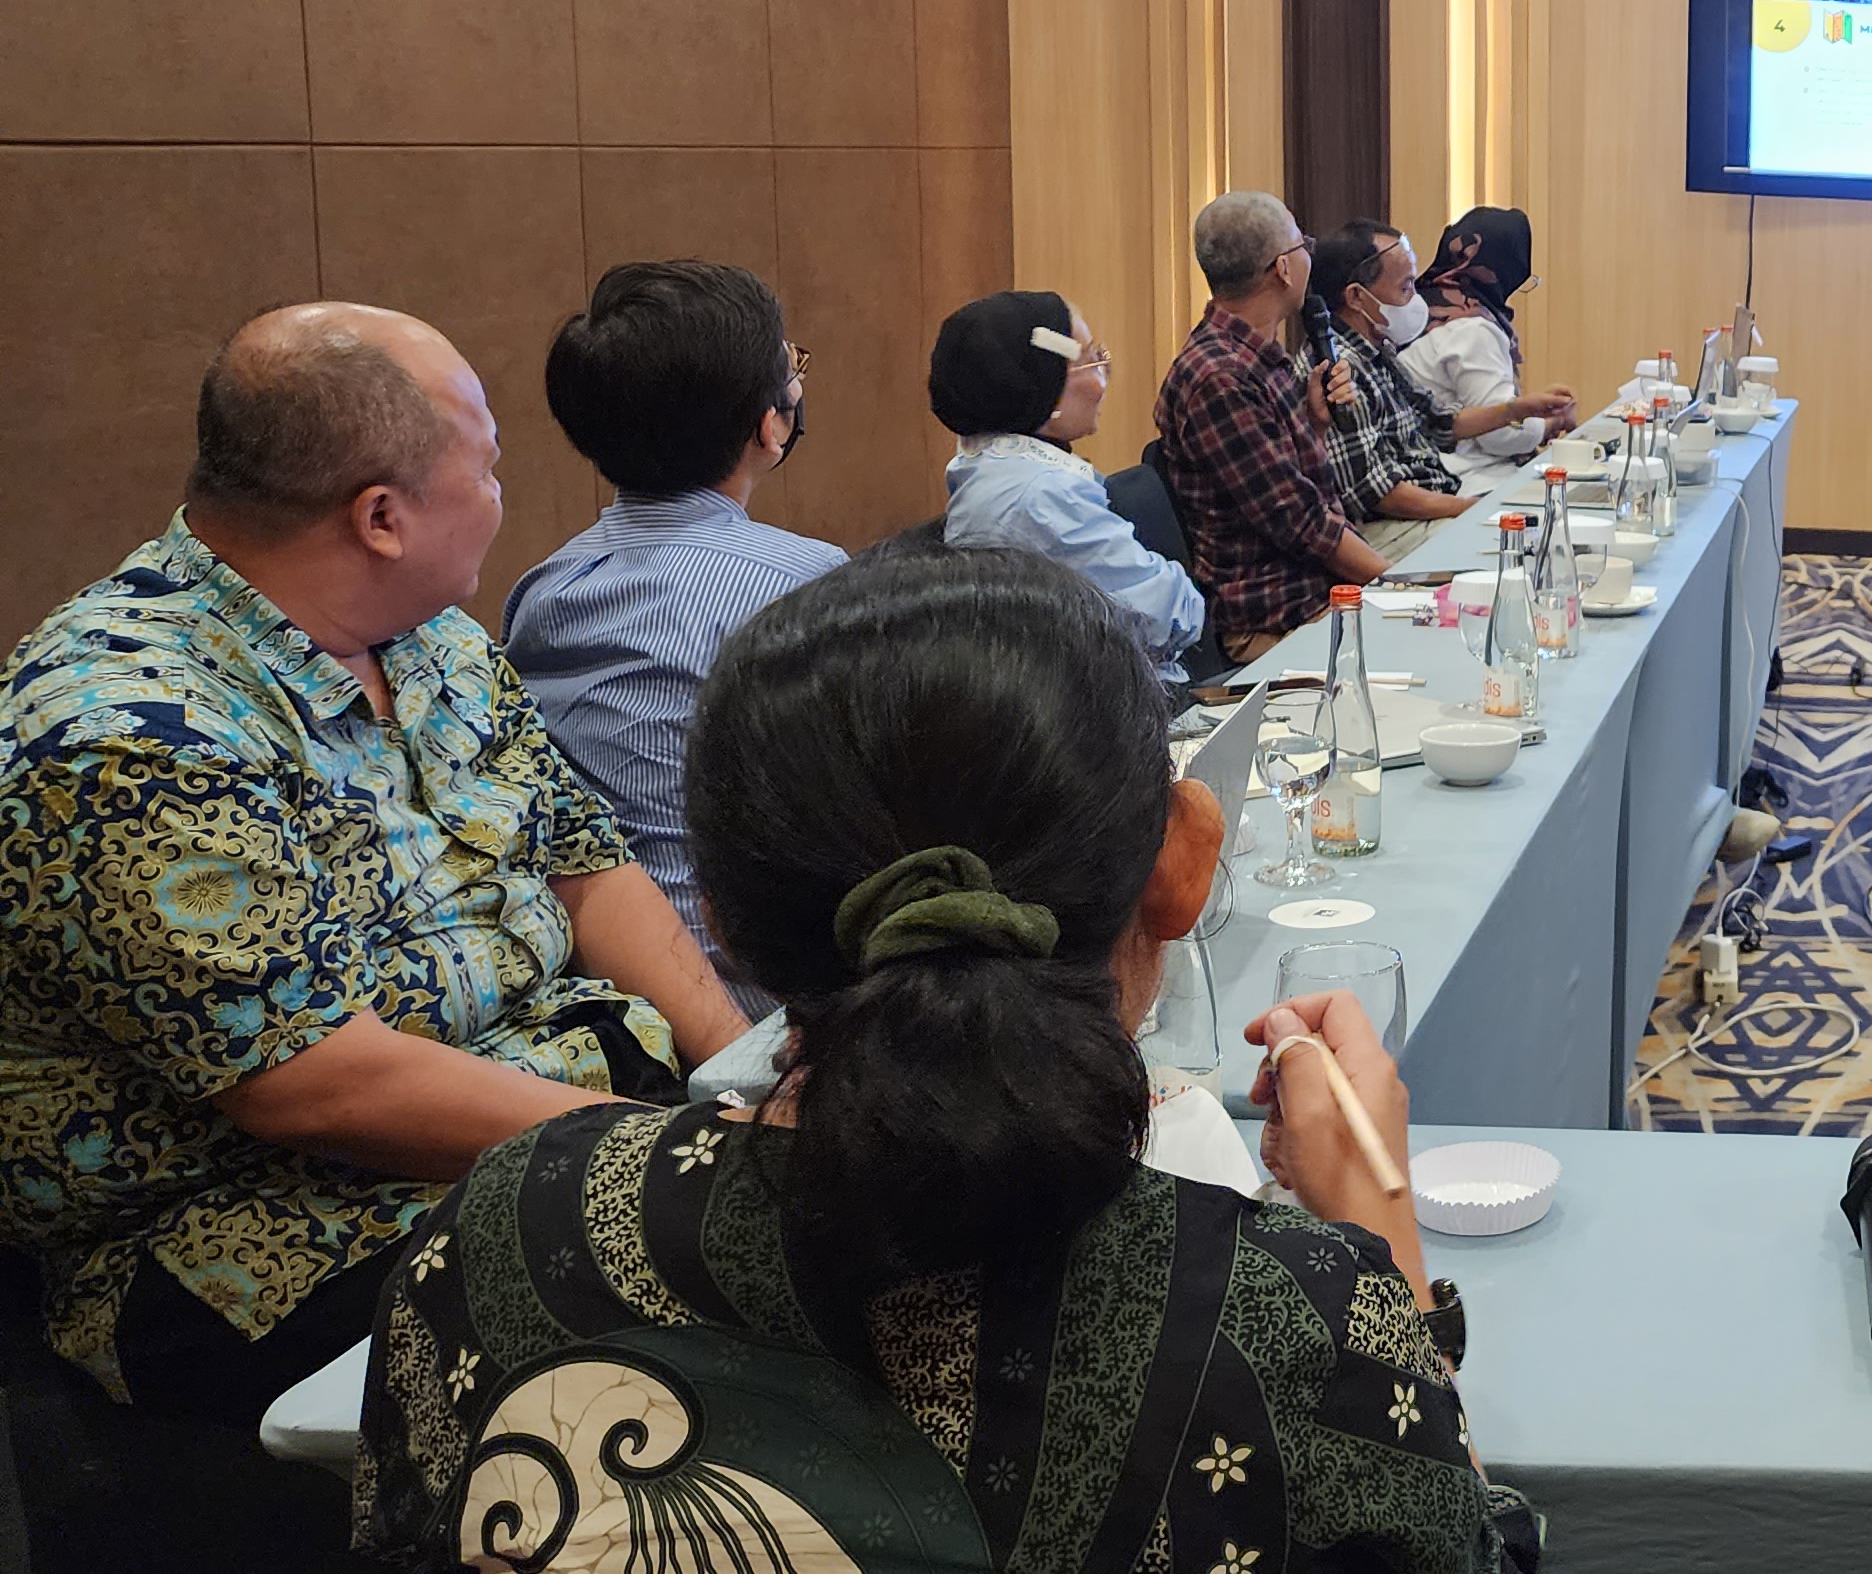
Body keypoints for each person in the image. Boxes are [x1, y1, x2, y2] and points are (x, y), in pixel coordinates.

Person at [355, 545, 1542, 1572]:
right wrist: (1385, 1249)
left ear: (719, 922)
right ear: (1180, 868)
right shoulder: (1297, 1316)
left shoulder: (512, 1223)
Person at [0, 305, 747, 1431]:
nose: (500, 494)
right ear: (382, 517)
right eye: (486, 468)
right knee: (756, 1314)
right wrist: (674, 1154)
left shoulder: (429, 635)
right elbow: (308, 1080)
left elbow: (583, 863)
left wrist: (743, 1072)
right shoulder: (127, 731)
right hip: (267, 1234)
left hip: (558, 1108)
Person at [506, 261, 847, 983]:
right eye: (790, 367)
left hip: (595, 975)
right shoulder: (805, 580)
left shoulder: (542, 587)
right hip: (761, 986)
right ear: (769, 425)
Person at [1154, 190, 1395, 660]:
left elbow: (1293, 491)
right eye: (1304, 244)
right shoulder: (1220, 377)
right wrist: (1398, 586)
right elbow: (1300, 521)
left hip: (1314, 593)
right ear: (1283, 268)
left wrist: (1316, 426)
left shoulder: (1251, 355)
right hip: (1277, 617)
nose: (1309, 255)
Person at [929, 288, 1206, 682]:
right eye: (1091, 360)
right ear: (1042, 386)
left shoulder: (985, 468)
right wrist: (1177, 582)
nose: (1102, 381)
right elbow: (1168, 616)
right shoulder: (1041, 498)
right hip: (1118, 707)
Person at [1296, 219, 1485, 530]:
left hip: (1432, 501)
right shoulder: (1337, 368)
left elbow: (1437, 422)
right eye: (1405, 287)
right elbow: (1376, 493)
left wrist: (1518, 410)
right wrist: (1469, 509)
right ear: (1356, 297)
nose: (1416, 300)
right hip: (1389, 526)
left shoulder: (1377, 348)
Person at [1400, 206, 1582, 490]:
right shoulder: (1472, 328)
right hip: (1466, 482)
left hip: (1429, 473)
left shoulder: (1424, 308)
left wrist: (1532, 408)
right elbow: (1499, 436)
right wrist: (1551, 423)